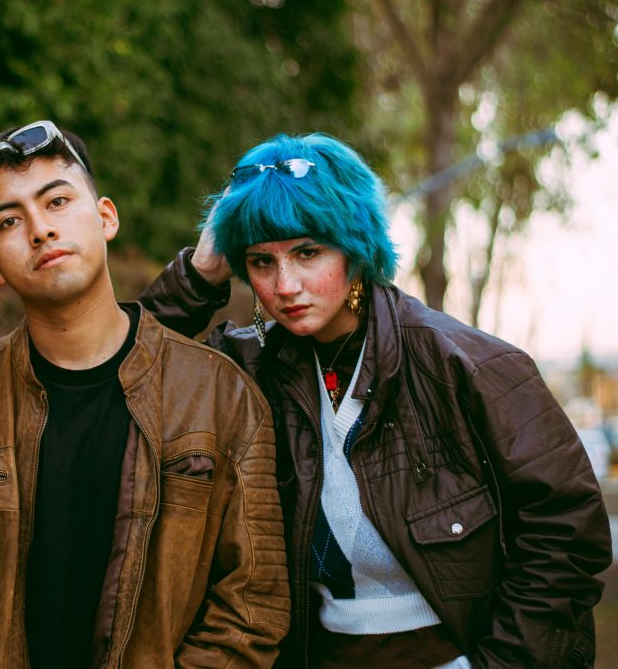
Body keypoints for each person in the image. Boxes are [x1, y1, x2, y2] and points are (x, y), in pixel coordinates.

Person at [140, 132, 613, 668]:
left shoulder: (466, 364)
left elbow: (566, 534)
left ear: (356, 248)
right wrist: (199, 275)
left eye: (307, 252)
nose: (285, 285)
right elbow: (130, 380)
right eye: (260, 261)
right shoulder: (249, 367)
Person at [0, 120, 290, 668]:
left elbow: (252, 606)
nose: (40, 230)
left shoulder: (221, 396)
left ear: (106, 217)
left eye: (57, 201)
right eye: (9, 221)